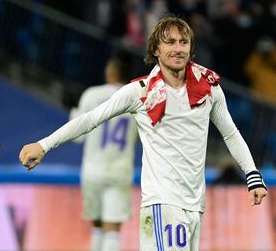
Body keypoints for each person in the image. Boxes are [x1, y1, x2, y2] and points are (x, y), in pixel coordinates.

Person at [19, 16, 267, 251]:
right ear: (155, 50)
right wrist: (44, 145)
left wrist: (252, 174)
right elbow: (90, 119)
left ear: (191, 48)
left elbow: (231, 133)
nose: (177, 48)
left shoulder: (209, 88)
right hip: (163, 203)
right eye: (169, 42)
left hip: (195, 205)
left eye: (183, 42)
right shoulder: (140, 91)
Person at [69, 51, 138, 251]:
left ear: (111, 70)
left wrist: (73, 109)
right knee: (112, 230)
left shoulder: (91, 94)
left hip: (92, 170)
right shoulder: (136, 98)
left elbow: (78, 136)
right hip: (119, 171)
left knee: (97, 226)